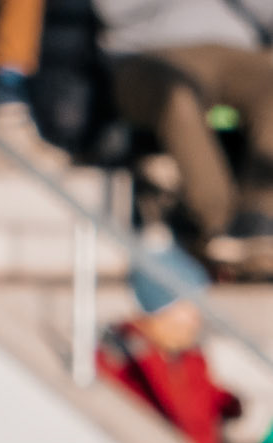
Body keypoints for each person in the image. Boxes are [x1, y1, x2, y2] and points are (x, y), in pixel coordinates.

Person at [96, 0, 273, 275]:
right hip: (148, 54)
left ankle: (260, 221)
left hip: (239, 51)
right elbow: (114, 10)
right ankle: (220, 225)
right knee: (178, 100)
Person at [97, 250, 242, 443]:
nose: (196, 317)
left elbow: (204, 394)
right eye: (187, 306)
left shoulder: (189, 356)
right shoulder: (122, 359)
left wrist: (232, 404)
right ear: (160, 309)